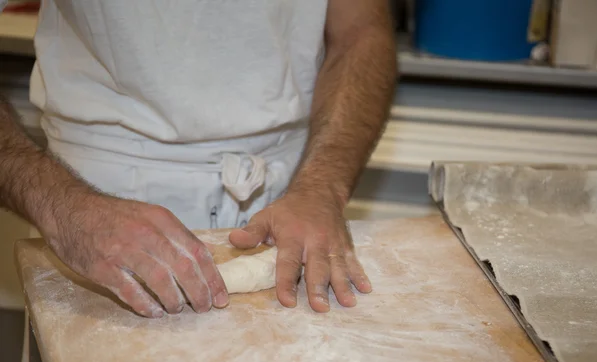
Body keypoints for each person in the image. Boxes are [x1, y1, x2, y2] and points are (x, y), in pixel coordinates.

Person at [1, 0, 396, 318]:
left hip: (290, 194)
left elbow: (362, 31)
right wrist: (61, 205)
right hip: (95, 200)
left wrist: (322, 187)